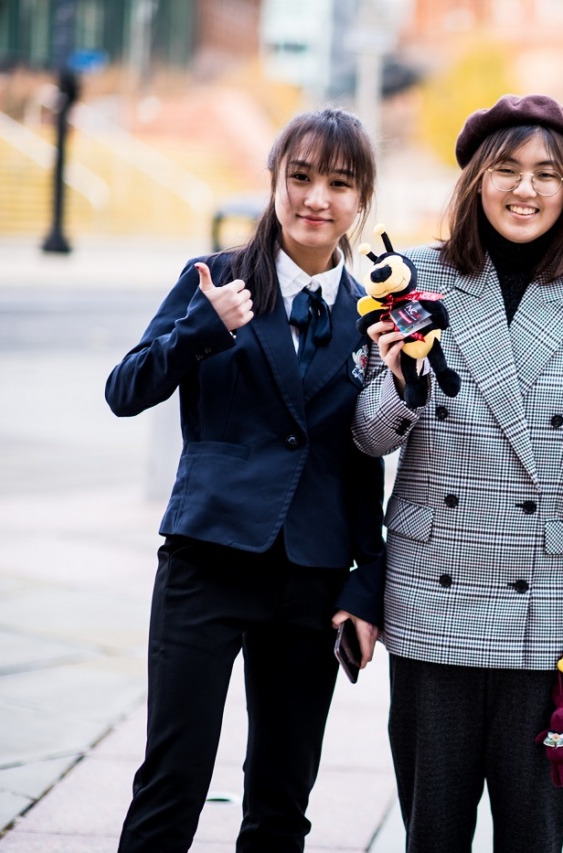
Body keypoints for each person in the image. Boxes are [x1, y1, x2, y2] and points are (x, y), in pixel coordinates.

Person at [334, 93, 563, 853]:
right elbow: (367, 436)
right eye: (506, 169)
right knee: (432, 831)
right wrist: (402, 379)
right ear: (476, 179)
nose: (526, 188)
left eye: (549, 173)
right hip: (430, 595)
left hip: (552, 606)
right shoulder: (411, 274)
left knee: (534, 834)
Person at [104, 107, 385, 852]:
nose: (315, 198)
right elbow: (125, 389)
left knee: (282, 799)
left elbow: (367, 456)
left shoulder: (371, 313)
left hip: (312, 578)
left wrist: (367, 586)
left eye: (339, 182)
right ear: (273, 181)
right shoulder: (216, 277)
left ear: (361, 200)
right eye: (299, 177)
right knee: (173, 780)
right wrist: (202, 328)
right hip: (209, 558)